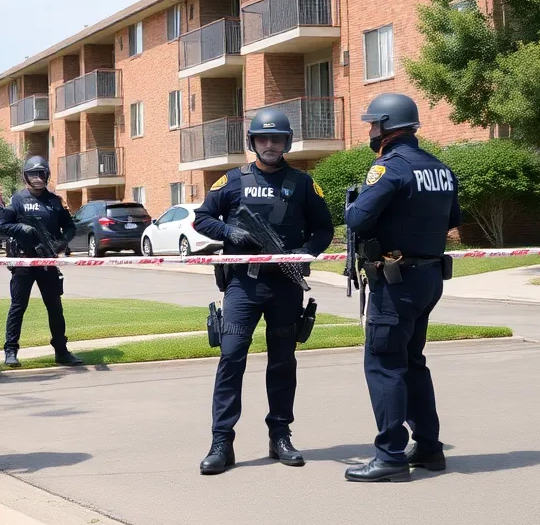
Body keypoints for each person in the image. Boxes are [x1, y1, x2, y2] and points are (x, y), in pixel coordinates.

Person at [191, 108, 333, 475]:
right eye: (263, 139)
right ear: (252, 142)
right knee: (231, 357)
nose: (270, 144)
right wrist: (229, 232)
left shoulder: (303, 184)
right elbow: (202, 218)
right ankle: (221, 442)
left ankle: (280, 436)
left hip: (285, 285)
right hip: (243, 285)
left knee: (283, 361)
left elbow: (324, 228)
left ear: (287, 142)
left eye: (277, 139)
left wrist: (305, 254)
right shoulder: (232, 181)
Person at [343, 93, 460, 483]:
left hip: (396, 281)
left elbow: (357, 219)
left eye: (372, 125)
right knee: (411, 362)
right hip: (428, 278)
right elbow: (452, 218)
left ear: (386, 127)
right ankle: (428, 447)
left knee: (384, 365)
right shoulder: (440, 168)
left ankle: (390, 455)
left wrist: (354, 204)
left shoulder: (389, 167)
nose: (369, 132)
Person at [0, 156, 82, 368]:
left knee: (55, 307)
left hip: (47, 262)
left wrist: (62, 242)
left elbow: (70, 227)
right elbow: (2, 225)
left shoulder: (54, 201)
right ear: (26, 176)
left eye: (41, 174)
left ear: (47, 175)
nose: (37, 179)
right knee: (18, 306)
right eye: (33, 175)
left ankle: (61, 351)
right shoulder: (17, 200)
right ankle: (10, 351)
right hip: (24, 262)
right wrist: (21, 228)